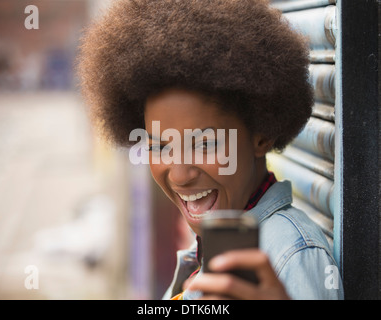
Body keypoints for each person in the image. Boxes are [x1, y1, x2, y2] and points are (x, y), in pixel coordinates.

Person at [77, 0, 344, 300]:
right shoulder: (210, 252)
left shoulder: (290, 260)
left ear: (262, 135)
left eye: (204, 144)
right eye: (159, 146)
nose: (179, 175)